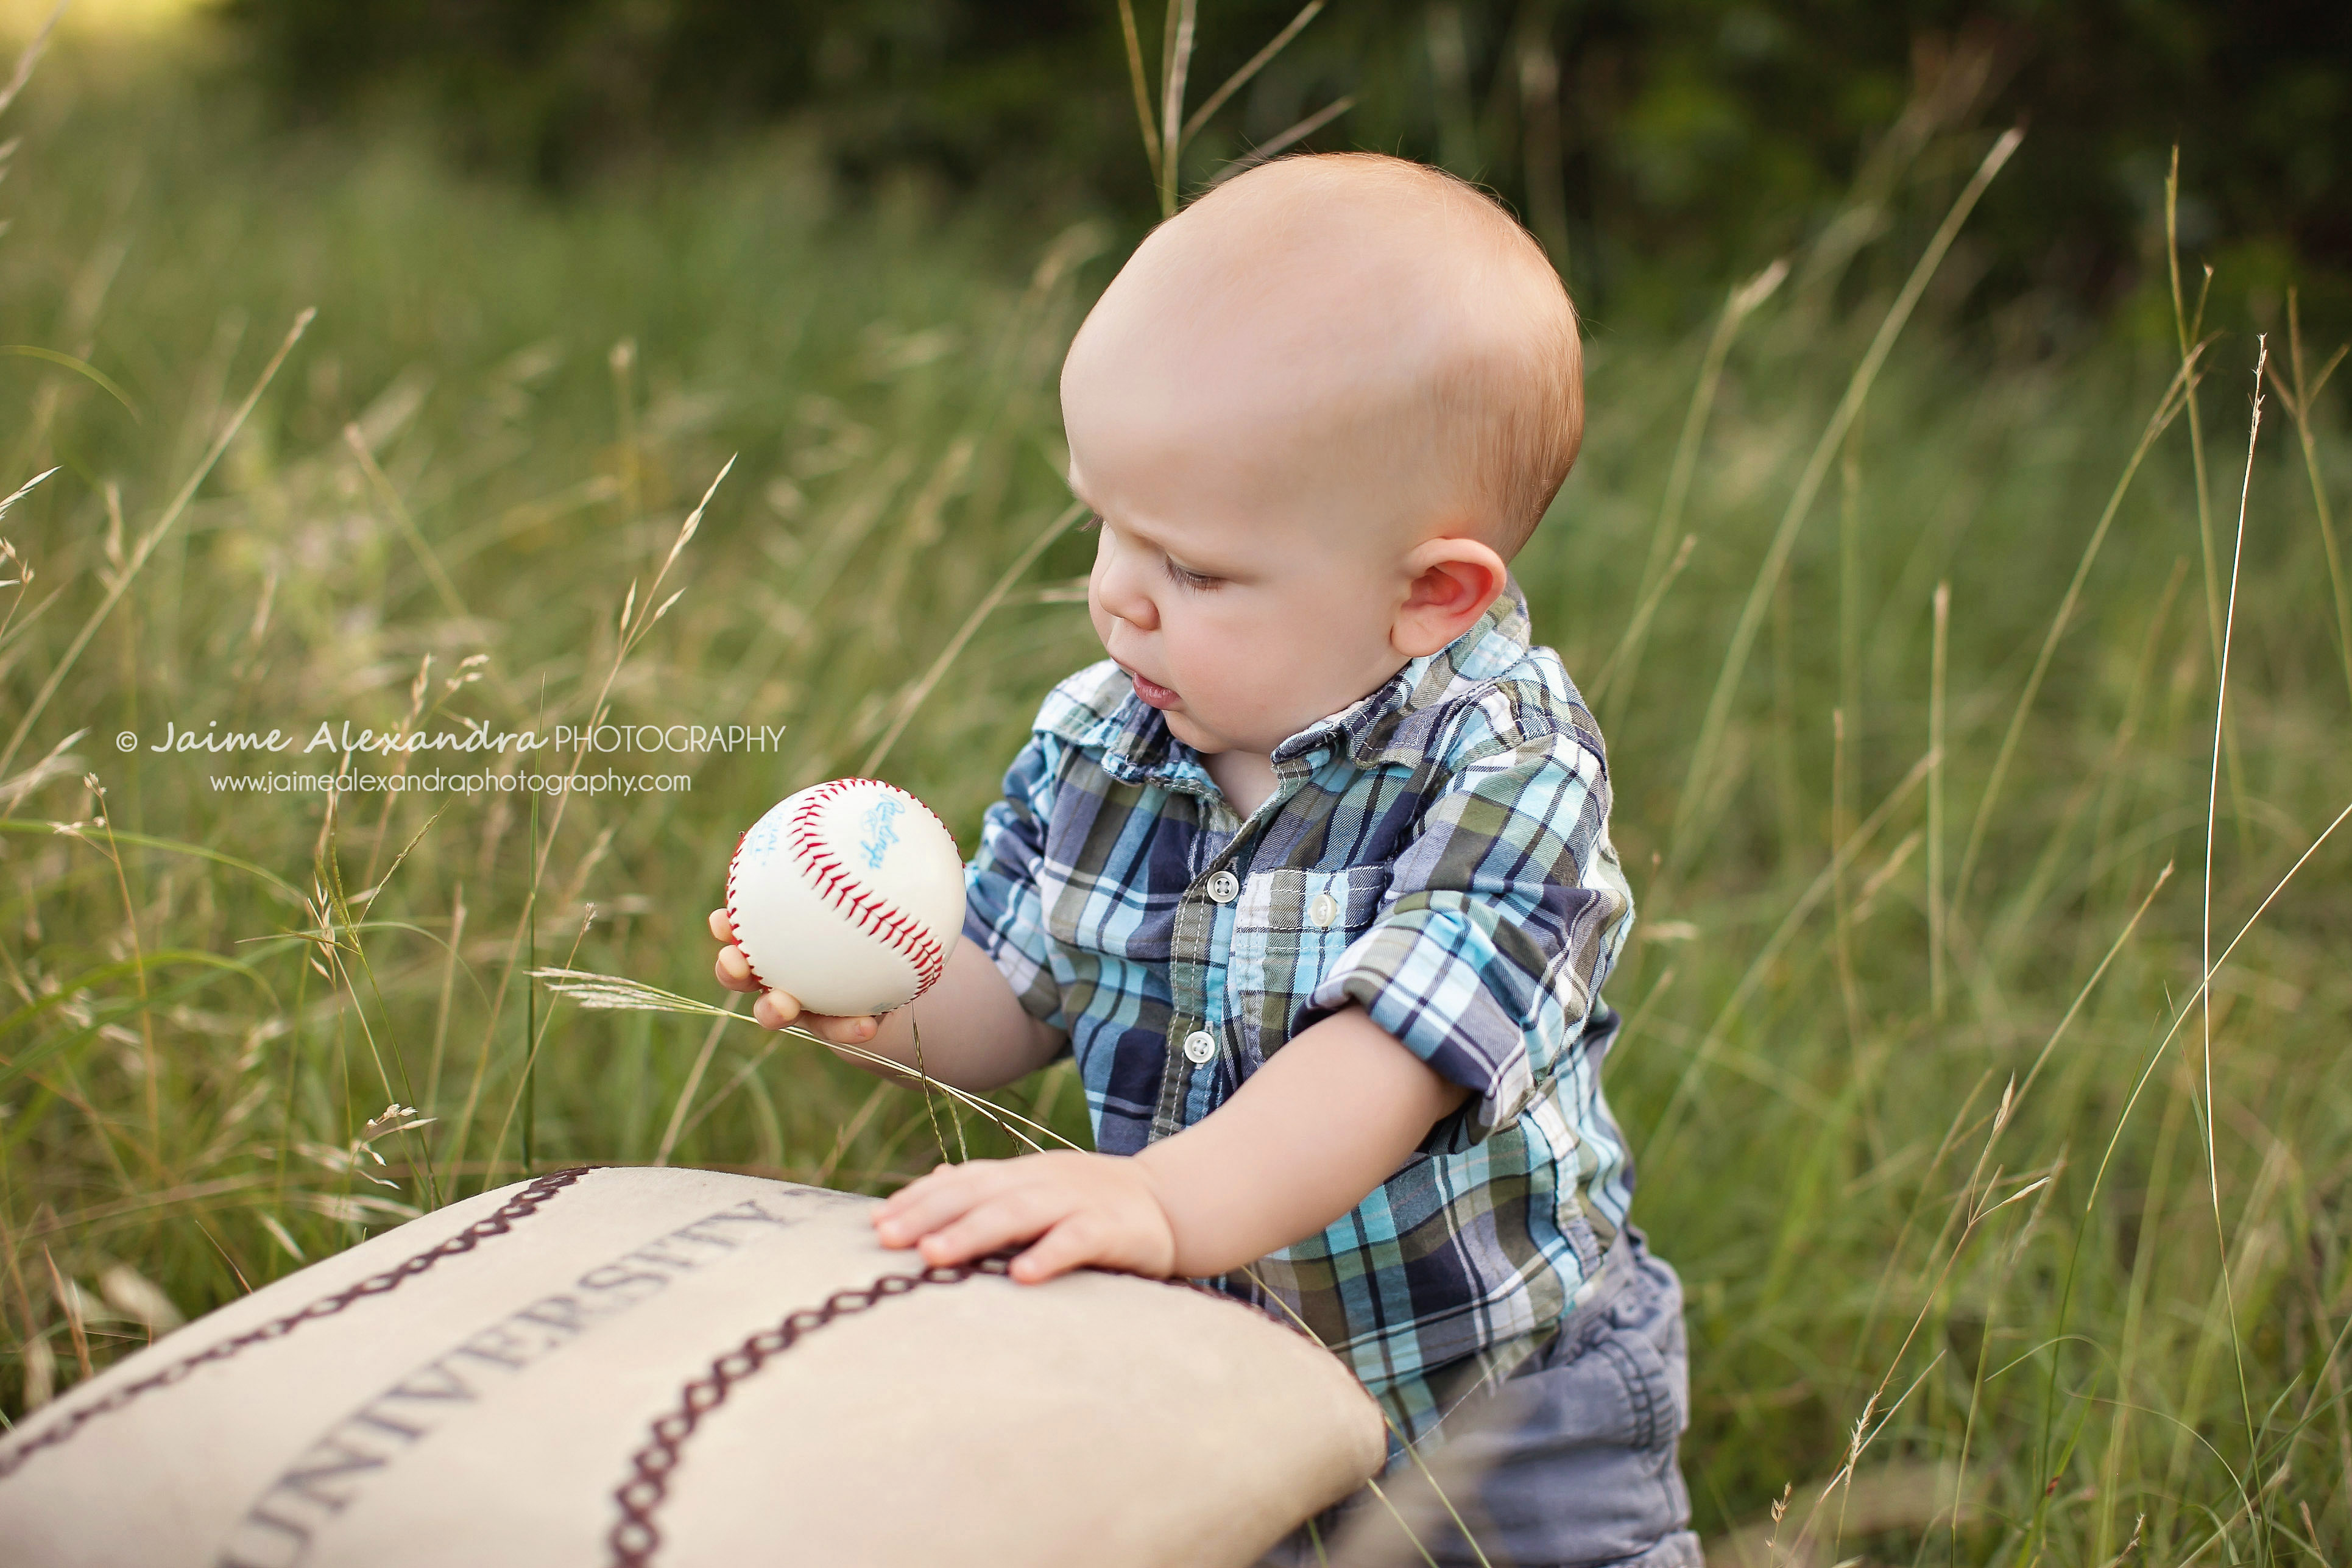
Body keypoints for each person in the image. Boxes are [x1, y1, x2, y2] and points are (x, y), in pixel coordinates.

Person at [709, 151, 1699, 1568]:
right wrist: (891, 1008)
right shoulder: (1100, 741)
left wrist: (1158, 1200)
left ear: (1429, 593)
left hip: (1493, 1398)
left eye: (1195, 570)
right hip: (1204, 1389)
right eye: (1105, 524)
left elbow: (1387, 1062)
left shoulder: (1507, 773)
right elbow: (1018, 996)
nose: (1116, 593)